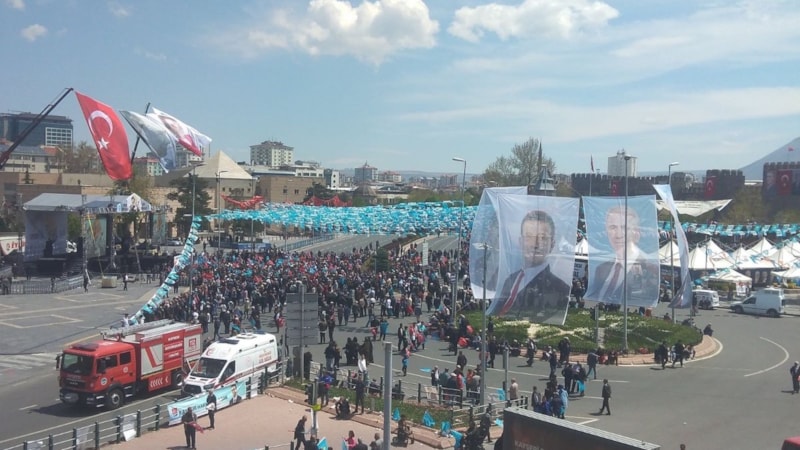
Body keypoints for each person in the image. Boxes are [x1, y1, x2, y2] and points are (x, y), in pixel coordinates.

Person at [487, 210, 571, 324]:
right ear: (521, 242)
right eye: (529, 237)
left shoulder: (560, 289)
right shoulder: (511, 279)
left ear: (552, 244)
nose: (535, 244)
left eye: (542, 238)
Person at [588, 206, 659, 306]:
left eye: (624, 228)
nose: (618, 235)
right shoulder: (601, 269)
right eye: (613, 227)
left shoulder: (650, 269)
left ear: (636, 233)